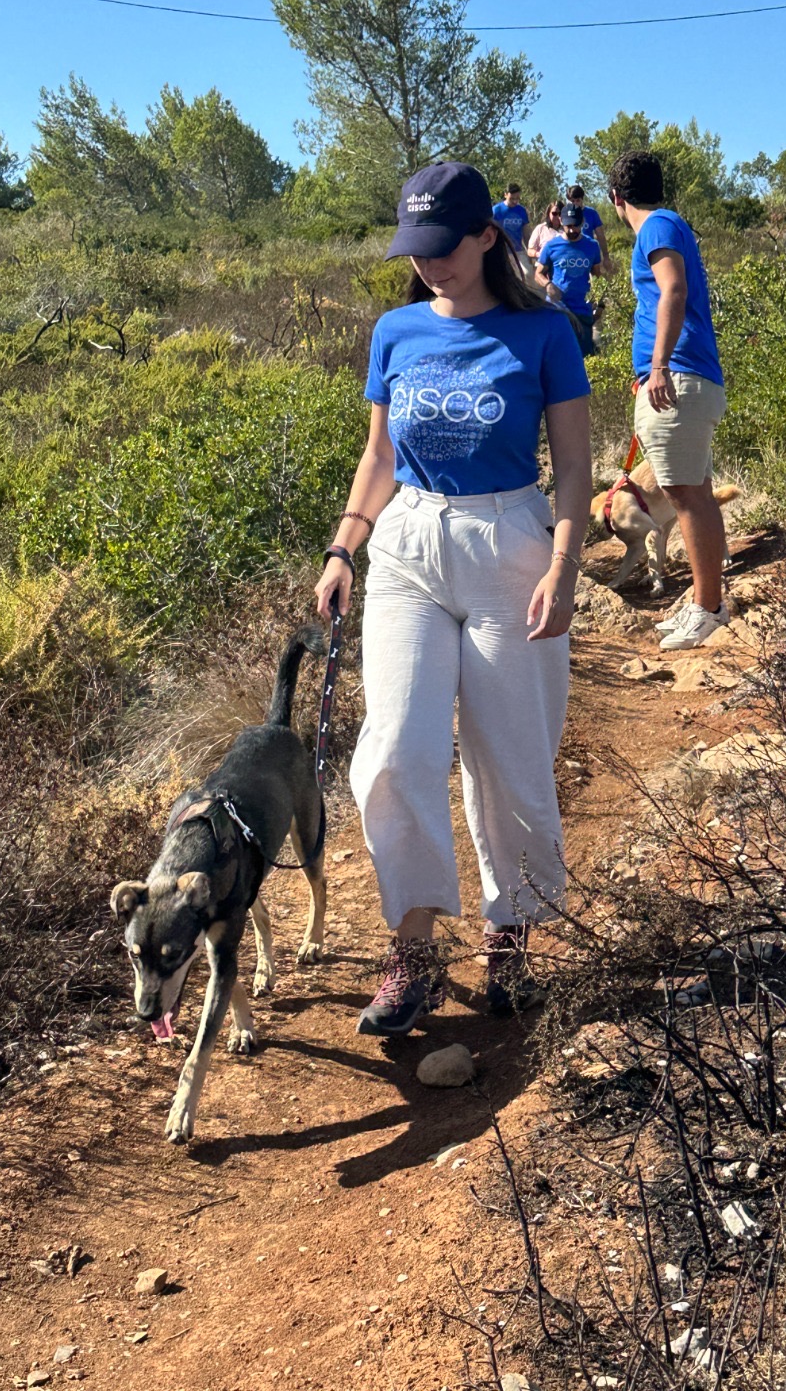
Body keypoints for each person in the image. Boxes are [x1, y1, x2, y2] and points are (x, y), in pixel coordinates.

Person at [315, 161, 592, 1037]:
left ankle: (511, 932)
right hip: (408, 543)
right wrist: (342, 549)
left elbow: (578, 471)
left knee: (509, 756)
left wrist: (564, 566)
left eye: (445, 247)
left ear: (487, 237)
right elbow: (378, 459)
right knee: (393, 749)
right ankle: (415, 949)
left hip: (510, 538)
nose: (430, 264)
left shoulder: (544, 334)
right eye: (416, 248)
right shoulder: (395, 331)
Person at [607, 148, 729, 650]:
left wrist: (658, 366)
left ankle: (707, 609)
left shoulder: (655, 227)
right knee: (695, 491)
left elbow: (672, 290)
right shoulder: (671, 223)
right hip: (687, 375)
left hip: (677, 376)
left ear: (616, 199)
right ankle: (707, 603)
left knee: (684, 495)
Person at [535, 204, 604, 356]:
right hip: (558, 309)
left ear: (583, 221)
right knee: (558, 356)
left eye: (576, 225)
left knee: (584, 356)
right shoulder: (551, 246)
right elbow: (538, 273)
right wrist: (548, 285)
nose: (572, 230)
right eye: (568, 226)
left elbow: (597, 278)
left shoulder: (592, 246)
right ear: (561, 220)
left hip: (582, 310)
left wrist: (600, 305)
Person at [566, 183, 611, 268]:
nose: (575, 203)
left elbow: (600, 236)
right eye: (572, 201)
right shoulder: (566, 215)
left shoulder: (591, 213)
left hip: (588, 254)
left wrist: (606, 257)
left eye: (578, 200)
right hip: (571, 255)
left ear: (582, 199)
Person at [493, 182, 531, 268]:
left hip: (518, 251)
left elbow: (526, 233)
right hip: (502, 252)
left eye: (517, 198)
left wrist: (529, 250)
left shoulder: (521, 211)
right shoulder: (496, 210)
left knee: (528, 274)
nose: (515, 201)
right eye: (512, 198)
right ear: (505, 195)